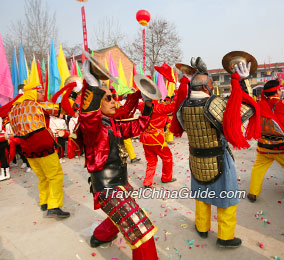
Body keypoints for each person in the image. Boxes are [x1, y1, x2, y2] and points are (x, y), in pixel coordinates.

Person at [172, 57, 260, 248]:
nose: (213, 87)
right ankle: (225, 237)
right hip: (218, 158)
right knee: (226, 197)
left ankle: (202, 228)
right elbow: (245, 110)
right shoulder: (214, 103)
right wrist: (244, 84)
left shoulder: (182, 106)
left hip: (195, 158)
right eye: (211, 84)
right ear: (205, 88)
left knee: (202, 195)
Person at [78, 58, 158, 260]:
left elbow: (137, 126)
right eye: (108, 98)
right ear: (97, 102)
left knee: (123, 217)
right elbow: (87, 118)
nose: (114, 101)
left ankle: (100, 235)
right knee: (141, 231)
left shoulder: (112, 124)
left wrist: (147, 105)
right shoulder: (92, 129)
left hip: (121, 184)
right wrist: (93, 88)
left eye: (113, 97)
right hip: (108, 189)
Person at [8, 82, 77, 218]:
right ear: (32, 93)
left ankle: (44, 201)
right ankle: (54, 206)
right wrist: (73, 95)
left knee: (42, 177)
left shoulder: (13, 109)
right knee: (55, 175)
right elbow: (62, 109)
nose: (42, 94)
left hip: (26, 148)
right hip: (41, 144)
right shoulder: (37, 105)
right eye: (39, 92)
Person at [247, 80, 284, 202]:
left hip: (264, 145)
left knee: (258, 168)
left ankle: (253, 192)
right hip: (282, 147)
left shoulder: (259, 104)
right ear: (278, 91)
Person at [138, 90, 177, 188]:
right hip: (157, 139)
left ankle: (147, 182)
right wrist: (177, 94)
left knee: (151, 161)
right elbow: (174, 106)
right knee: (167, 157)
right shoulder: (159, 108)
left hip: (145, 139)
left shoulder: (141, 106)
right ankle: (166, 178)